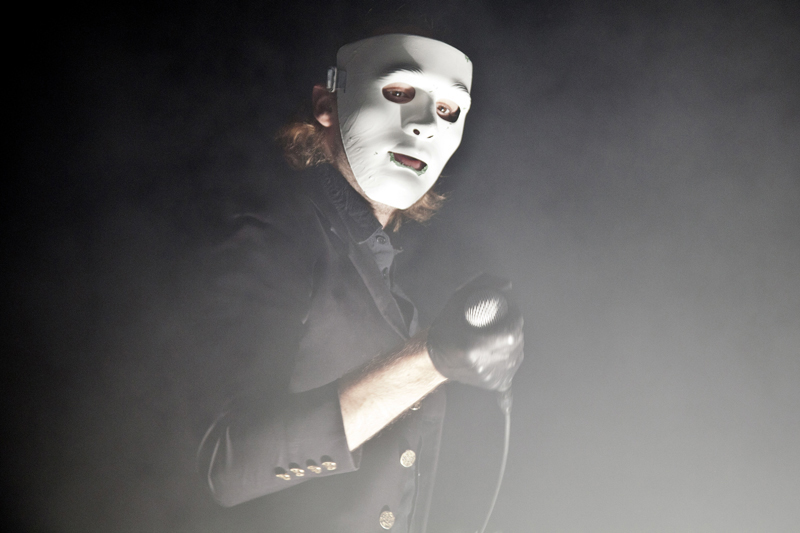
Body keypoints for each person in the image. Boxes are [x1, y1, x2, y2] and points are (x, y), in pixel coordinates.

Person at [195, 33, 523, 533]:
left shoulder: (394, 274)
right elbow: (226, 464)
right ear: (326, 105)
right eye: (400, 93)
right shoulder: (270, 234)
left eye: (449, 109)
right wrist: (429, 359)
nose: (426, 124)